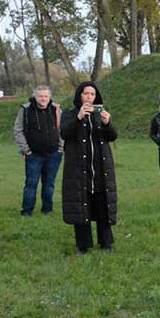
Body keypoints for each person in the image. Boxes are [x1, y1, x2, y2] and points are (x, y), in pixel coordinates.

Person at [60, 81, 118, 253]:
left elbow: (112, 136)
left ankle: (106, 242)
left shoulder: (99, 114)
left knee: (102, 204)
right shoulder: (69, 114)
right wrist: (78, 118)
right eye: (86, 93)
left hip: (100, 168)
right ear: (79, 95)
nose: (89, 97)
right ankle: (83, 245)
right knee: (81, 205)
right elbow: (65, 133)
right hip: (78, 169)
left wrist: (107, 123)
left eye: (92, 94)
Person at [14, 85, 63, 216]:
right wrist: (26, 150)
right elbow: (18, 130)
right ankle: (27, 211)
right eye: (40, 96)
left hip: (54, 154)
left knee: (49, 184)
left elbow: (62, 129)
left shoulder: (56, 109)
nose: (43, 99)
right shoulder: (25, 110)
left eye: (46, 96)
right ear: (35, 97)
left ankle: (47, 210)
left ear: (50, 97)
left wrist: (61, 148)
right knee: (31, 184)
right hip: (33, 155)